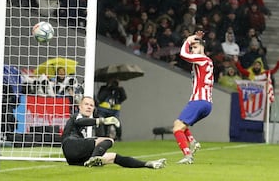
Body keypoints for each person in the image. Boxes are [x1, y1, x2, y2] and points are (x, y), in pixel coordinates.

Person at [61, 96, 166, 169]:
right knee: (108, 140)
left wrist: (147, 164)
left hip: (75, 159)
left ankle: (148, 164)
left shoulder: (88, 120)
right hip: (71, 145)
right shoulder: (77, 116)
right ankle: (94, 158)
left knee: (113, 157)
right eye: (86, 104)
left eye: (91, 105)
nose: (89, 107)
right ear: (80, 106)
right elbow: (80, 122)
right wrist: (103, 120)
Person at [173, 30, 214, 164]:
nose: (192, 50)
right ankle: (192, 142)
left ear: (203, 47)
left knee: (177, 128)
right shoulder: (206, 62)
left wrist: (189, 40)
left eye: (195, 47)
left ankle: (187, 156)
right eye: (192, 48)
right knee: (182, 125)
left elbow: (183, 54)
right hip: (207, 104)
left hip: (199, 101)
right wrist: (197, 40)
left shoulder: (203, 59)